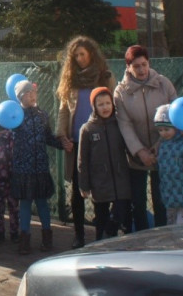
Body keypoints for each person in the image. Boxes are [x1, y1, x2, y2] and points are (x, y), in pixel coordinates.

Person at [56, 36, 116, 248]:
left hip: (99, 142)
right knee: (77, 192)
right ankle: (79, 235)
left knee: (100, 190)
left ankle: (101, 236)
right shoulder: (69, 79)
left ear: (91, 53)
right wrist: (63, 136)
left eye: (82, 54)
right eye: (75, 56)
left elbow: (113, 106)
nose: (79, 59)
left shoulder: (104, 76)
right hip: (75, 143)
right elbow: (64, 110)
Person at [114, 44, 177, 232]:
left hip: (163, 151)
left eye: (144, 64)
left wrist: (160, 144)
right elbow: (124, 124)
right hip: (136, 156)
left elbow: (174, 115)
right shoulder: (121, 92)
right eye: (136, 66)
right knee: (138, 202)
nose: (141, 70)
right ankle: (142, 239)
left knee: (161, 200)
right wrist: (140, 151)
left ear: (149, 63)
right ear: (128, 67)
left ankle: (163, 236)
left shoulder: (164, 84)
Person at [10, 79, 62, 254]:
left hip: (40, 167)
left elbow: (48, 137)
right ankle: (24, 239)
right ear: (20, 97)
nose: (32, 95)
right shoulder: (15, 116)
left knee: (42, 203)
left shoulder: (42, 115)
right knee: (25, 204)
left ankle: (47, 238)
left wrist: (62, 144)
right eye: (28, 93)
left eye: (33, 92)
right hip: (23, 169)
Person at [77, 87, 131, 242]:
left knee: (120, 213)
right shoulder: (87, 129)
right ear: (94, 106)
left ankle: (113, 236)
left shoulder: (119, 124)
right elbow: (82, 160)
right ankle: (101, 245)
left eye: (108, 103)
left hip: (121, 181)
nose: (105, 107)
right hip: (100, 183)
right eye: (100, 104)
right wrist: (84, 185)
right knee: (101, 218)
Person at [153, 104, 183, 225]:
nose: (163, 133)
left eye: (167, 129)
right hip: (170, 201)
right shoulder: (162, 146)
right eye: (160, 130)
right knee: (174, 233)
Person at [0, 113, 19, 245]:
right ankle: (0, 233)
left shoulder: (10, 137)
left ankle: (14, 233)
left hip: (11, 177)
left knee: (13, 207)